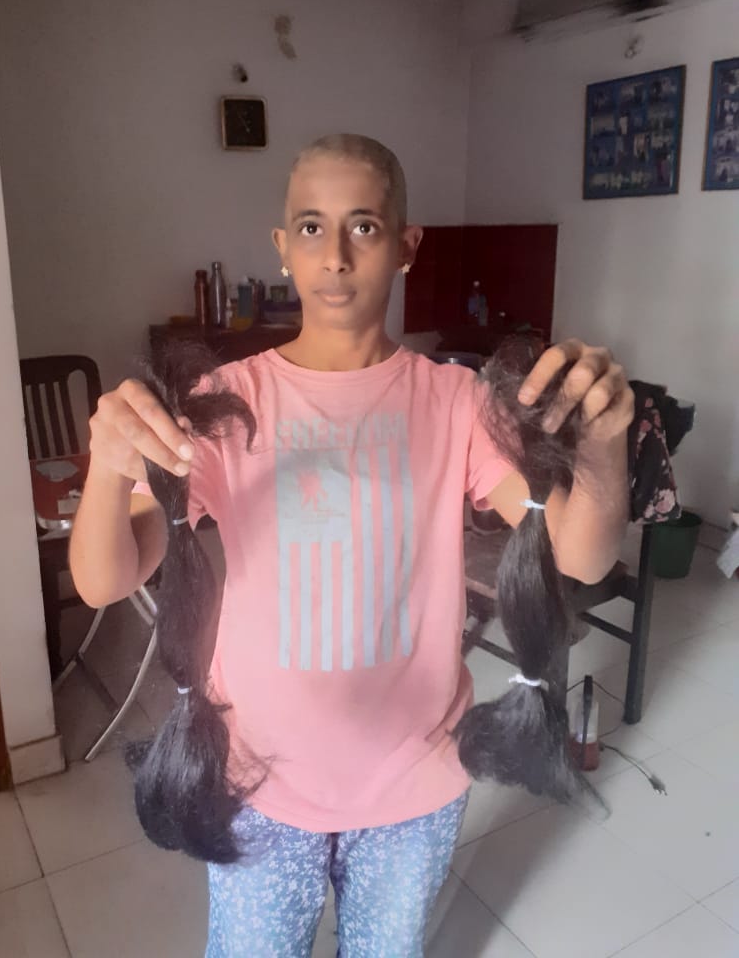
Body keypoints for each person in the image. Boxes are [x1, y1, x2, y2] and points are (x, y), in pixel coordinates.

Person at [70, 134, 633, 957]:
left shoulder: (458, 403)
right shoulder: (226, 403)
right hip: (257, 782)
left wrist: (607, 444)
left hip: (413, 789)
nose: (334, 255)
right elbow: (104, 578)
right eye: (311, 227)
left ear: (407, 245)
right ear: (282, 246)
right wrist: (107, 465)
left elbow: (580, 558)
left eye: (363, 226)